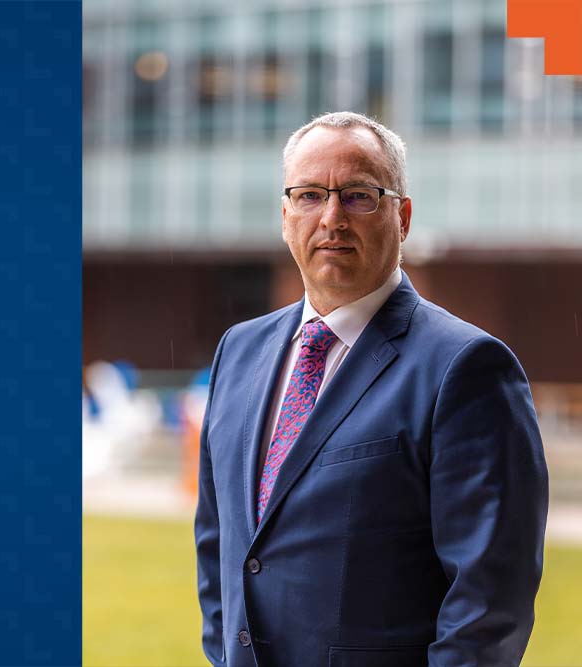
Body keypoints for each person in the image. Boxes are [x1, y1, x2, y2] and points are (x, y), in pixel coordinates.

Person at [194, 111, 548, 667]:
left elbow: (488, 605)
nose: (331, 217)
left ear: (401, 216)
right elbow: (218, 546)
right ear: (285, 214)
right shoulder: (239, 350)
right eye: (309, 195)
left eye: (358, 195)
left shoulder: (467, 367)